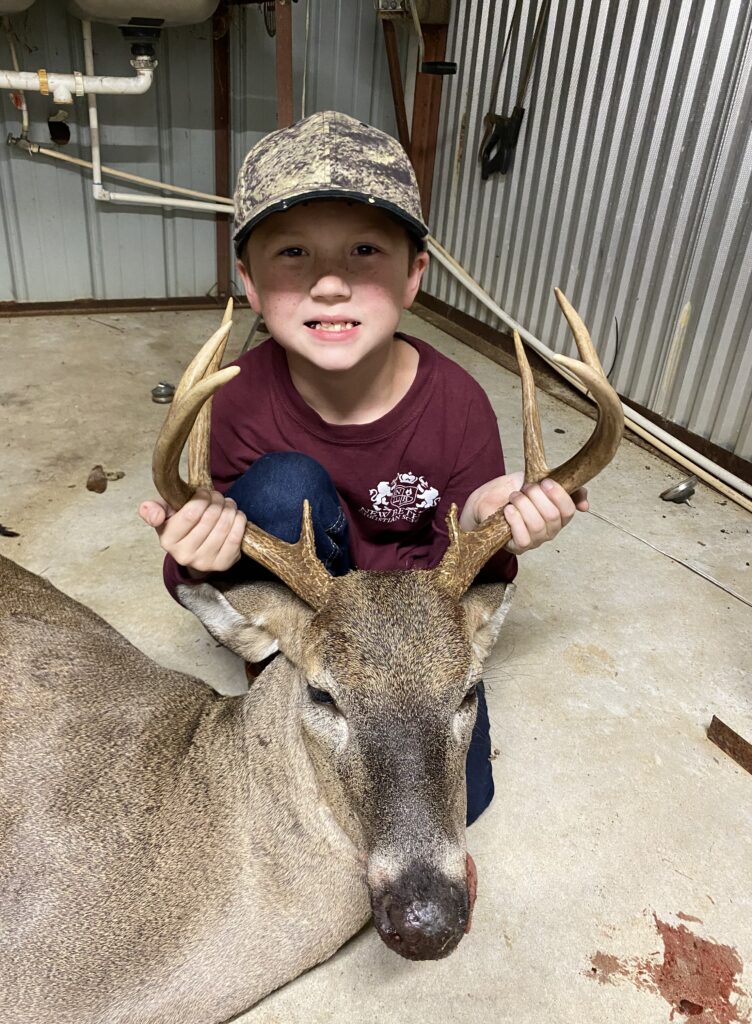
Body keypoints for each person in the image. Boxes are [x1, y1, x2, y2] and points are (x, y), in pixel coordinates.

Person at [139, 110, 587, 825]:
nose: (329, 285)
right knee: (283, 486)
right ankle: (284, 672)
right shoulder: (236, 399)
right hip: (316, 622)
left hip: (413, 634)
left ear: (414, 276)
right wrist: (201, 547)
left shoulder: (458, 403)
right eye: (293, 253)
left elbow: (467, 579)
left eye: (364, 251)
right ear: (249, 283)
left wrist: (489, 517)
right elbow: (223, 565)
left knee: (463, 803)